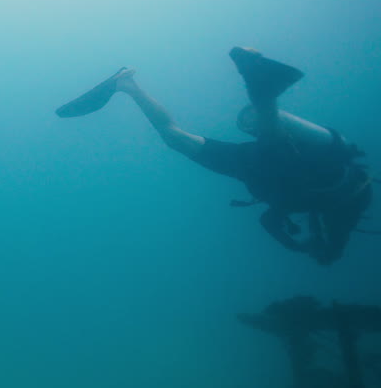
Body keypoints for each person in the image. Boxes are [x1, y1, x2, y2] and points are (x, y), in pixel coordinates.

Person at [57, 47, 372, 265]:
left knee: (175, 138)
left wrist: (299, 245)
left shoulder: (314, 203)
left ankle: (128, 85)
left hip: (253, 166)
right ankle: (261, 89)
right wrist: (314, 249)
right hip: (284, 167)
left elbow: (269, 220)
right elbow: (331, 243)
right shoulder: (342, 204)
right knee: (274, 144)